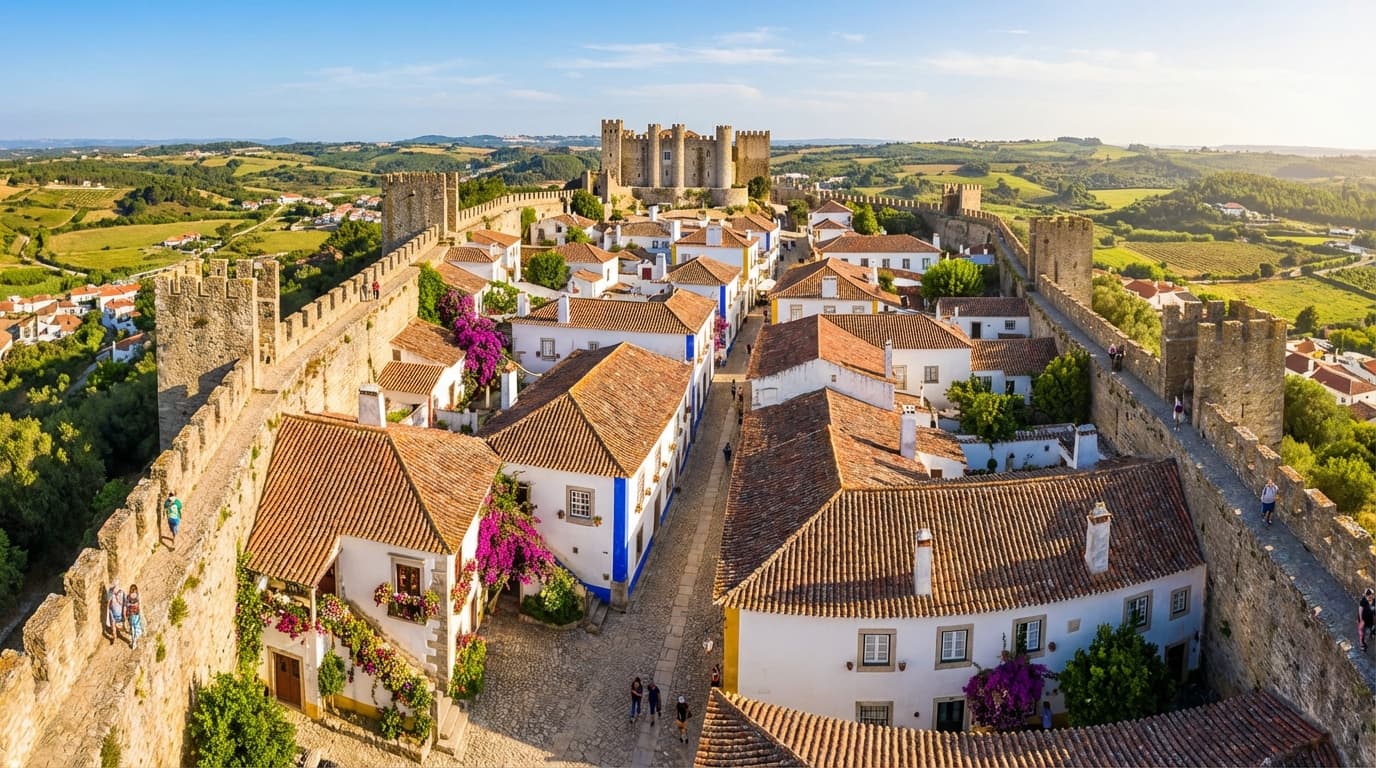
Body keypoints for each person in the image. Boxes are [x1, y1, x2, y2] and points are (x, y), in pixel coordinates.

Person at [125, 584, 143, 651]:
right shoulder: (137, 596)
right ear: (136, 590)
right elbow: (139, 604)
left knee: (132, 627)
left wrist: (127, 613)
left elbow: (127, 605)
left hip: (131, 614)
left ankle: (133, 641)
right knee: (136, 627)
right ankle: (134, 641)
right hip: (136, 613)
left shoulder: (128, 597)